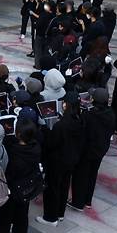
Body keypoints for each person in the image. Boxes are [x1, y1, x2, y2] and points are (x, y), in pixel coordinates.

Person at [0, 119, 42, 233]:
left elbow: (8, 172)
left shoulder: (14, 152)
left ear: (18, 134)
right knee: (22, 216)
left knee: (5, 216)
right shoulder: (35, 147)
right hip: (27, 189)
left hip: (12, 188)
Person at [36, 93, 84, 226]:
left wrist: (47, 131)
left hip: (57, 161)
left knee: (52, 188)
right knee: (64, 186)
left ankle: (50, 217)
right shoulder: (79, 120)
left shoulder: (61, 126)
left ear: (66, 105)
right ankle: (60, 213)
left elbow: (51, 144)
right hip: (71, 160)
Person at [70, 88, 115, 211]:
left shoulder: (89, 115)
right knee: (92, 174)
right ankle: (87, 200)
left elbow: (82, 132)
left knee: (80, 176)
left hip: (87, 151)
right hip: (101, 149)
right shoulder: (110, 114)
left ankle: (78, 203)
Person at [34, 1, 56, 69]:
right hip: (48, 36)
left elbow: (38, 25)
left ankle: (38, 65)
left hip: (40, 35)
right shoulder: (54, 16)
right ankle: (44, 65)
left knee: (38, 51)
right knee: (44, 51)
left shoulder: (43, 14)